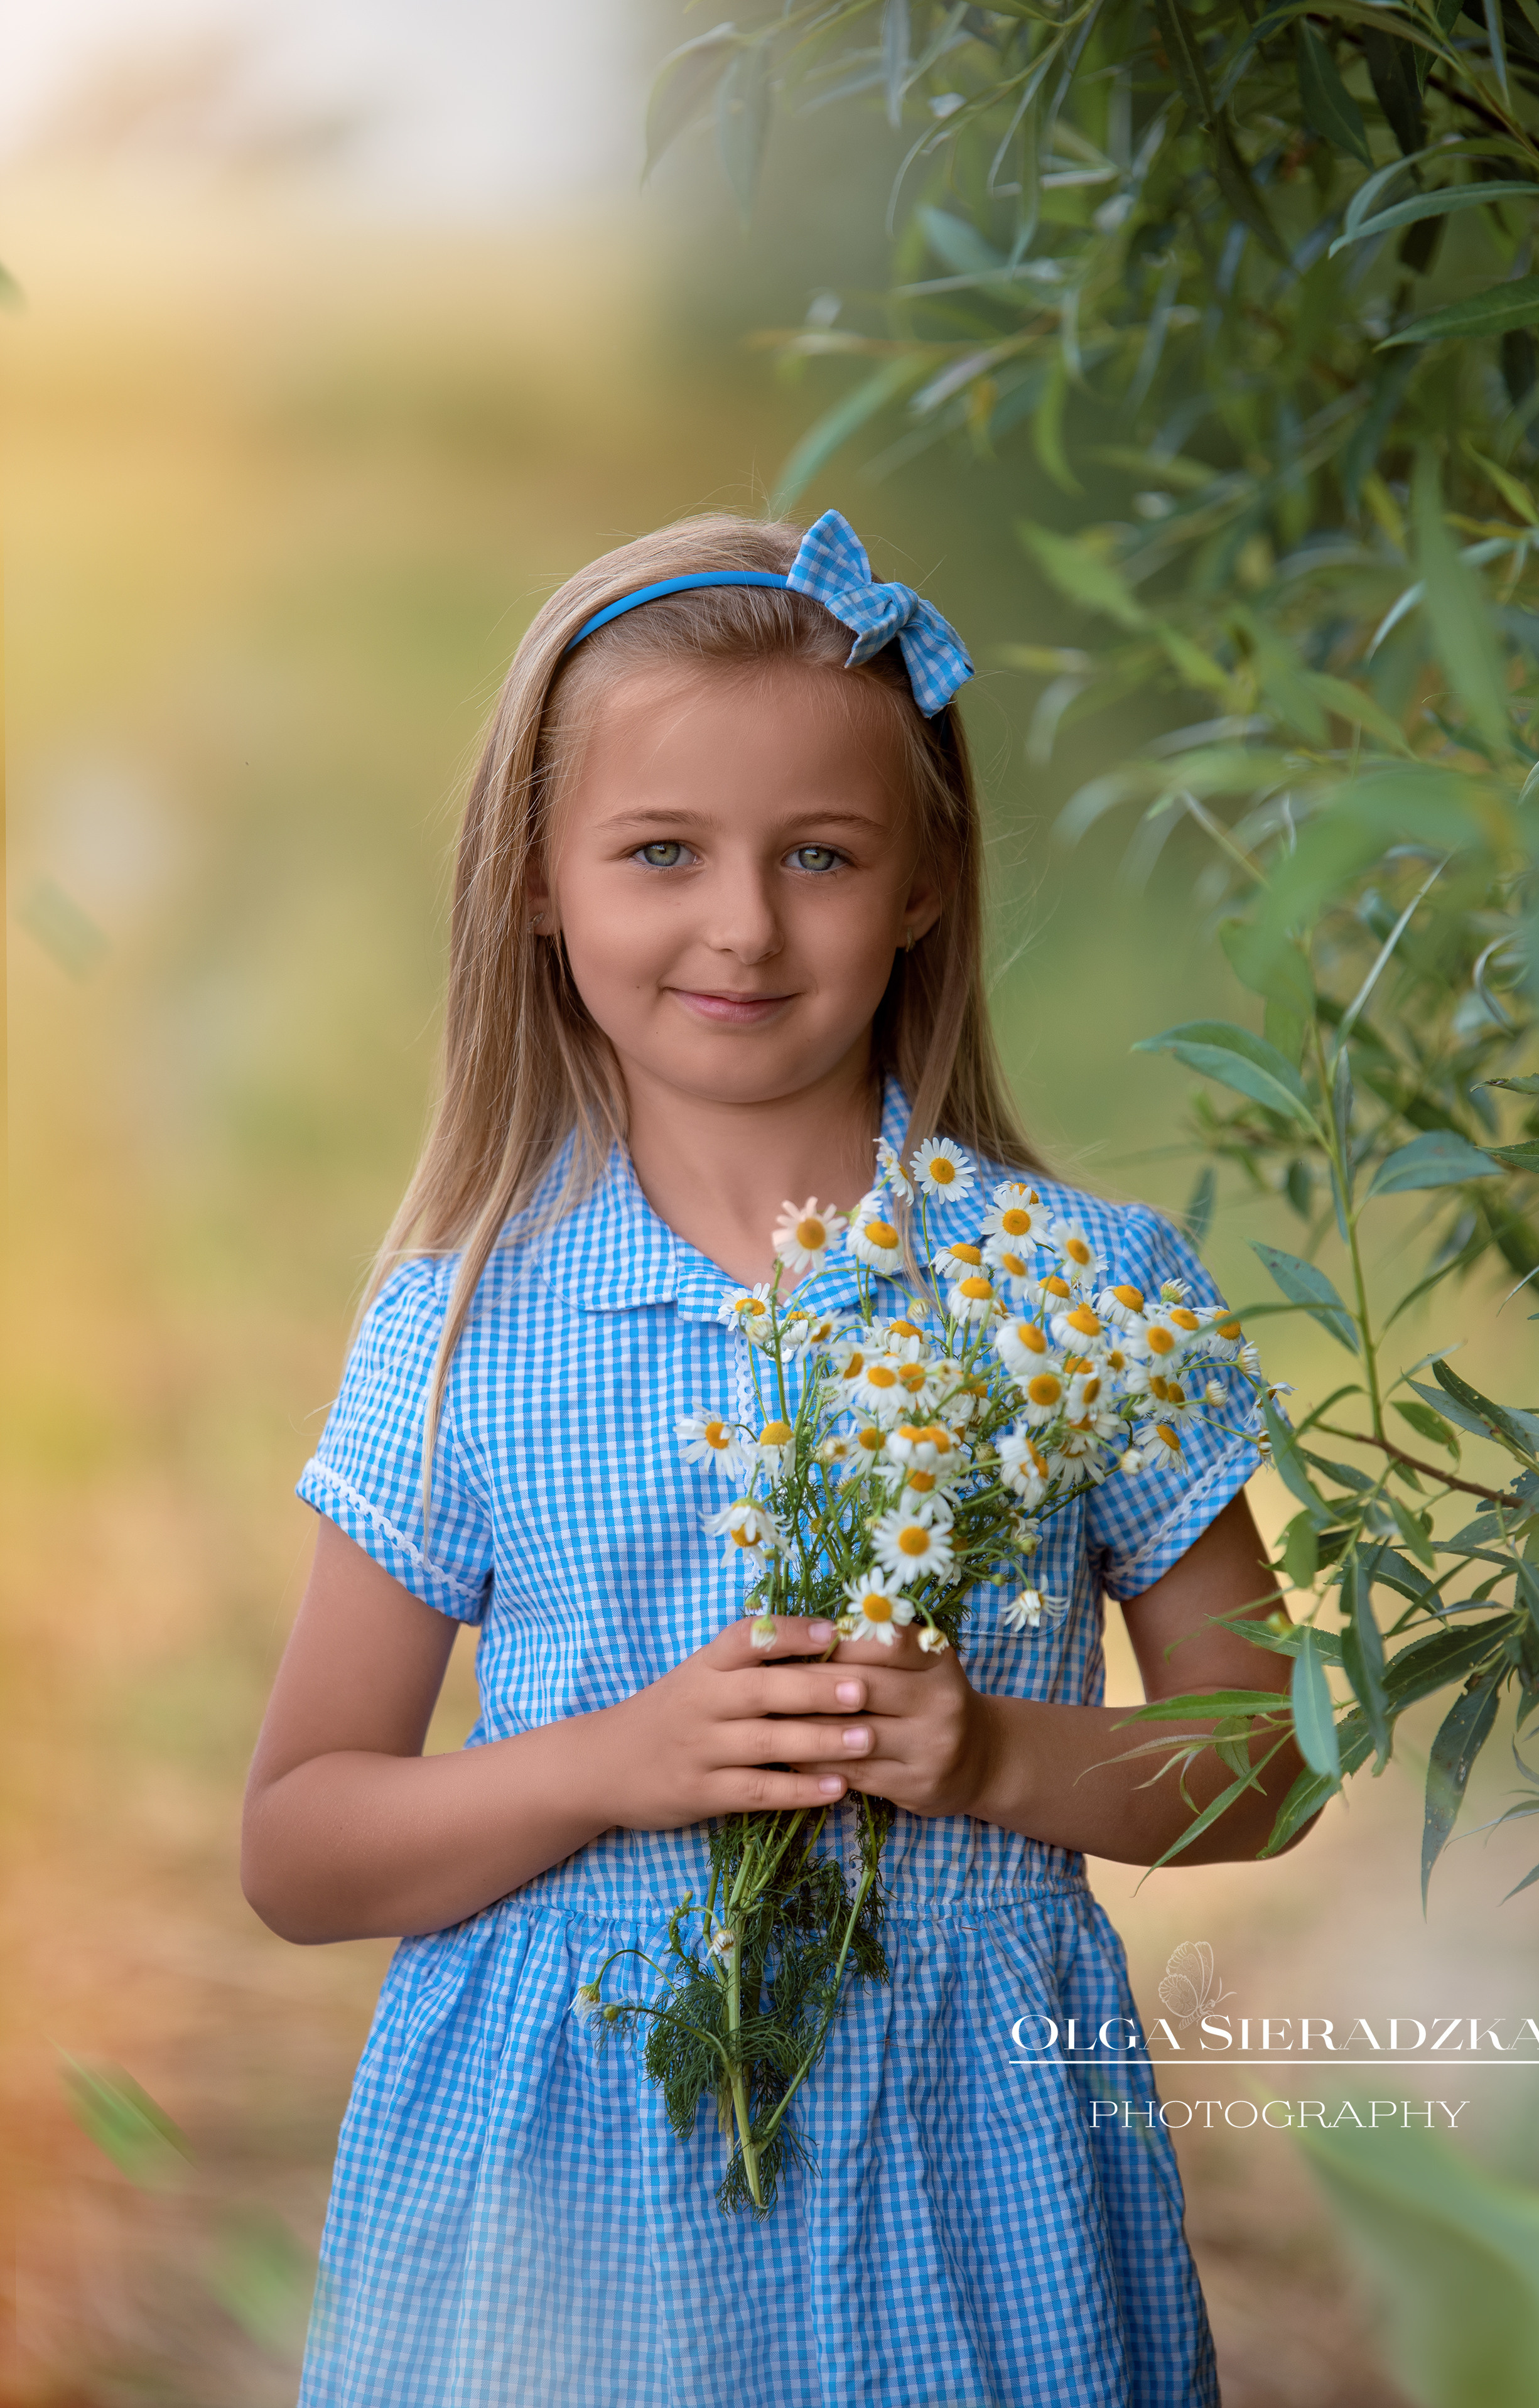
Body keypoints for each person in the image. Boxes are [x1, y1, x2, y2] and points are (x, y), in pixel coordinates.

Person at [241, 505, 1305, 2408]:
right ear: (541, 886)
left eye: (818, 855)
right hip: (568, 2206)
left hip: (980, 2162)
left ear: (918, 885)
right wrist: (611, 1764)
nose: (743, 924)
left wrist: (994, 1751)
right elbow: (302, 1841)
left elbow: (1269, 1752)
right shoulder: (470, 1322)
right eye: (662, 853)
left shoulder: (1078, 1292)